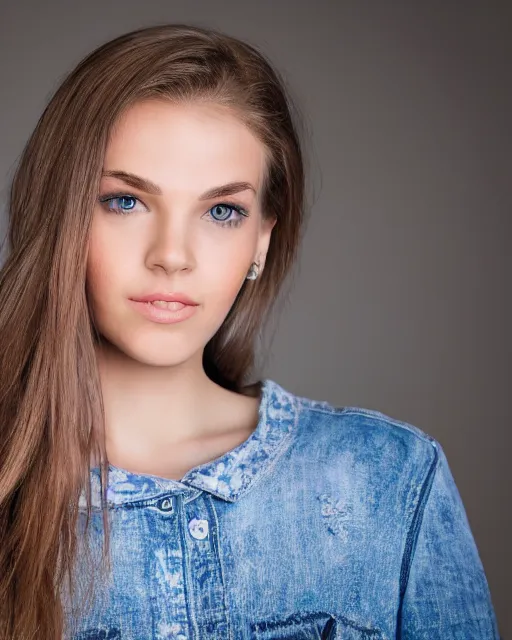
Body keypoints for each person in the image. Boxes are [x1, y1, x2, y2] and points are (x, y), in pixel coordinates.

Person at [0, 23, 500, 640]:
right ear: (63, 212)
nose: (172, 256)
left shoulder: (387, 479)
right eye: (125, 201)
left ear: (261, 239)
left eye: (221, 212)